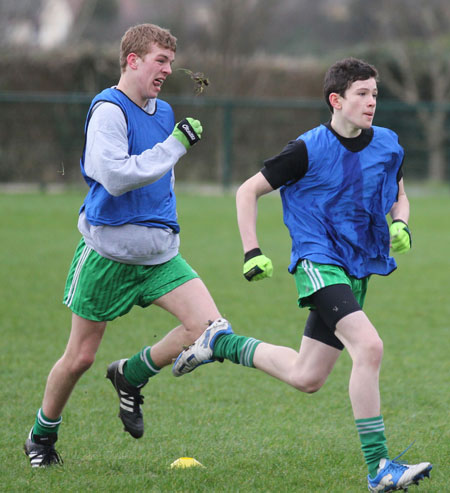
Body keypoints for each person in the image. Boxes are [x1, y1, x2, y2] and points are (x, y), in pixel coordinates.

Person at [173, 58, 432, 492]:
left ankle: (221, 342)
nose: (372, 102)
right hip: (318, 261)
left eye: (374, 94)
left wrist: (401, 222)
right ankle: (379, 468)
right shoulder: (307, 149)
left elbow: (399, 195)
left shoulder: (388, 144)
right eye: (362, 94)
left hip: (356, 268)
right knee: (369, 347)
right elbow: (247, 190)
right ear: (337, 100)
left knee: (307, 376)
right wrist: (251, 250)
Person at [24, 23, 232, 467]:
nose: (169, 70)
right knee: (80, 357)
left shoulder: (163, 109)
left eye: (172, 62)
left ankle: (131, 374)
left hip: (160, 257)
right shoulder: (108, 111)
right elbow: (116, 177)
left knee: (209, 328)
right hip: (108, 256)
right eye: (161, 60)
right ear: (132, 60)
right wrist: (176, 145)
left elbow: (161, 181)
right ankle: (40, 438)